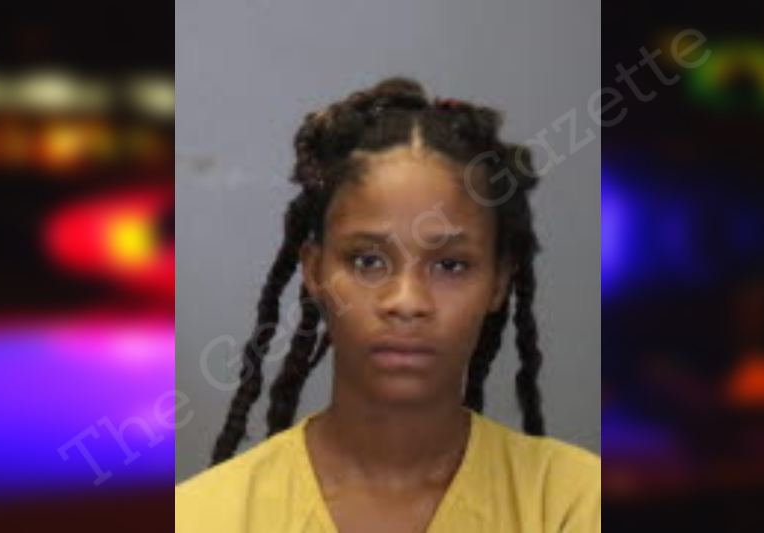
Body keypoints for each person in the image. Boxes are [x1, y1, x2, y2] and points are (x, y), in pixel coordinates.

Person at [176, 77, 600, 532]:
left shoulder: (577, 504)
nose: (407, 301)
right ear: (315, 270)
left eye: (451, 265)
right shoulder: (202, 516)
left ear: (498, 281)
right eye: (368, 261)